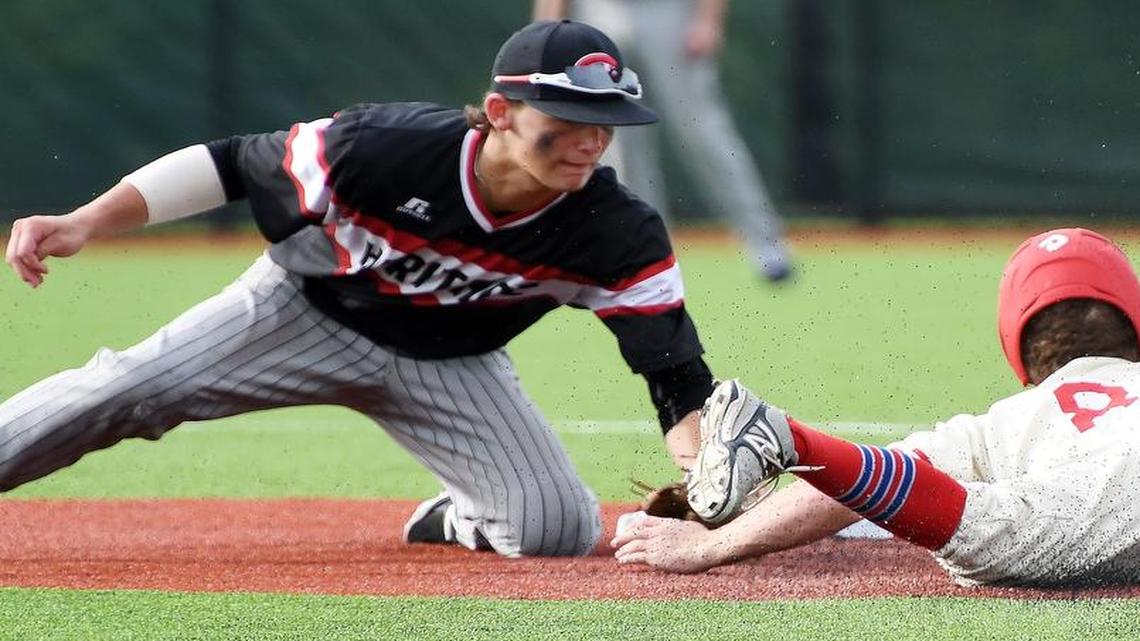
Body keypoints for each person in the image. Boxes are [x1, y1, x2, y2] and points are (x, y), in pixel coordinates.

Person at [1, 20, 716, 559]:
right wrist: (86, 220)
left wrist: (706, 475)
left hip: (451, 363)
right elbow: (229, 165)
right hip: (300, 311)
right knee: (128, 386)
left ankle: (450, 516)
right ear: (500, 112)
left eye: (605, 123)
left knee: (555, 530)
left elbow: (675, 372)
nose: (590, 142)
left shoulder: (616, 231)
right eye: (568, 121)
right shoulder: (382, 148)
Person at [614, 227, 1140, 586]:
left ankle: (791, 441)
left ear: (1015, 346)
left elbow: (852, 491)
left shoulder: (1005, 424)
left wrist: (710, 547)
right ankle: (785, 439)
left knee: (985, 525)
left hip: (1076, 522)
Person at [532, 0, 793, 282]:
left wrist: (708, 19)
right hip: (601, 11)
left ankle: (766, 242)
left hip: (669, 12)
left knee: (703, 133)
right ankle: (649, 255)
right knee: (619, 145)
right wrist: (546, 29)